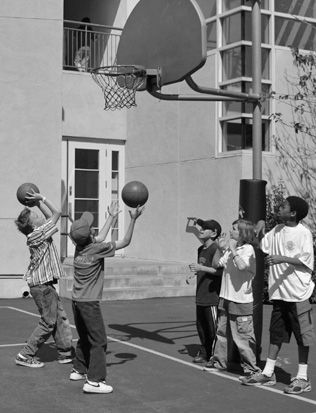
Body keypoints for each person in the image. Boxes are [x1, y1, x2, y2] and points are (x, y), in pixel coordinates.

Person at [241, 196, 314, 394]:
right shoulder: (277, 230)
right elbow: (259, 245)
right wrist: (255, 228)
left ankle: (302, 377)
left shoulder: (303, 233)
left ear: (293, 213)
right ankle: (268, 372)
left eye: (283, 206)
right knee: (276, 335)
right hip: (279, 294)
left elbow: (306, 261)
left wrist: (283, 258)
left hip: (298, 295)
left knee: (302, 338)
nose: (278, 208)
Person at [69, 201, 144, 394]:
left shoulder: (79, 246)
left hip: (76, 302)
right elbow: (125, 242)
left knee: (85, 336)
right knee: (99, 340)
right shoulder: (96, 249)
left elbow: (99, 236)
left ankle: (79, 368)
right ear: (91, 235)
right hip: (89, 303)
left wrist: (111, 216)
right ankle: (94, 381)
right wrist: (133, 220)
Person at [15, 190, 73, 368]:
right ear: (34, 225)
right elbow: (57, 214)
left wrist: (38, 203)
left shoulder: (38, 232)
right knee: (48, 322)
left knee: (60, 318)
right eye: (37, 216)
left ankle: (65, 353)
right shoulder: (37, 234)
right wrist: (43, 199)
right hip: (41, 286)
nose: (41, 216)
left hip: (44, 285)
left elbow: (50, 216)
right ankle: (25, 355)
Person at [206, 219, 261, 377]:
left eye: (234, 229)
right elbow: (216, 264)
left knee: (243, 337)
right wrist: (219, 248)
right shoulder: (231, 249)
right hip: (225, 298)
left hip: (241, 301)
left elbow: (242, 266)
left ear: (242, 233)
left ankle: (252, 369)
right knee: (221, 333)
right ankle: (219, 362)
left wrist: (231, 249)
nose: (231, 231)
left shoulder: (248, 249)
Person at [186, 218, 223, 364]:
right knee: (201, 327)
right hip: (200, 295)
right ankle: (205, 352)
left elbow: (219, 271)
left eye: (205, 228)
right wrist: (193, 273)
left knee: (213, 328)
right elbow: (202, 267)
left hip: (212, 296)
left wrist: (201, 268)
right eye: (201, 227)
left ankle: (215, 356)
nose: (201, 230)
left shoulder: (216, 248)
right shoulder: (201, 249)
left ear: (214, 233)